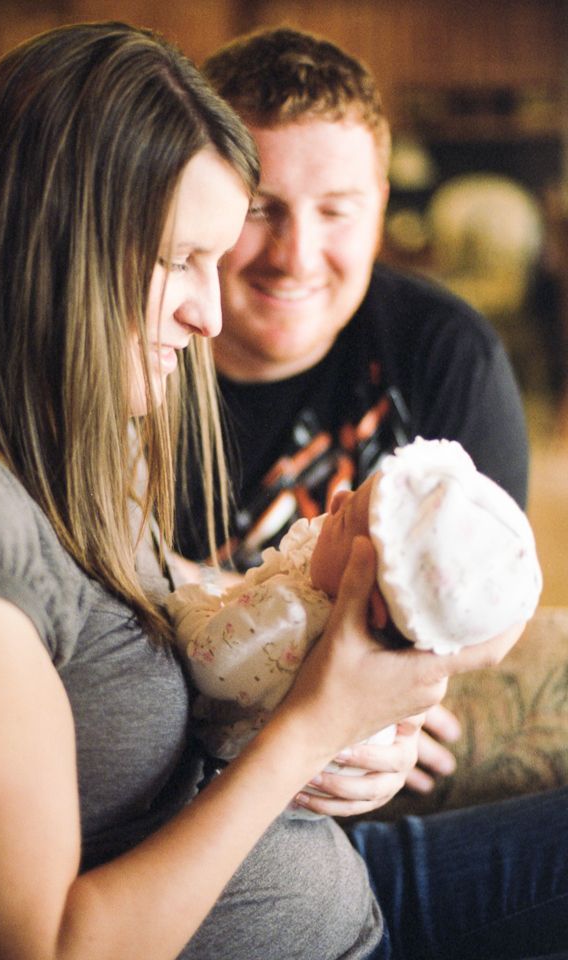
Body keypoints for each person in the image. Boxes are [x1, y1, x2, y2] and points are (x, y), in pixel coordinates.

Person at [0, 20, 564, 960]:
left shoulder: (52, 429)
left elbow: (159, 595)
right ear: (52, 244)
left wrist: (342, 669)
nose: (211, 310)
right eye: (175, 261)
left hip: (337, 886)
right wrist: (308, 734)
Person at [174, 25, 531, 795]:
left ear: (381, 209)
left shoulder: (445, 352)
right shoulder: (132, 357)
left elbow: (495, 597)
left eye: (336, 211)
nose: (297, 256)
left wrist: (403, 698)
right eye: (261, 208)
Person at [168, 437, 542, 819]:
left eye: (346, 519)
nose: (337, 499)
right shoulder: (384, 651)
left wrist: (183, 604)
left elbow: (209, 665)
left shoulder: (291, 619)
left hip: (230, 795)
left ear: (371, 604)